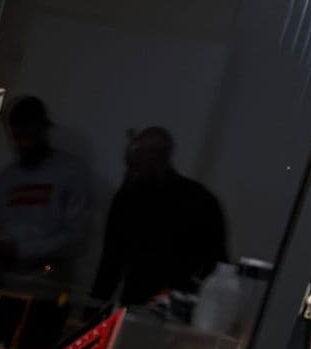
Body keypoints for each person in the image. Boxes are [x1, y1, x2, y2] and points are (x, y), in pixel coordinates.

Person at [92, 126, 228, 308]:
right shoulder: (199, 198)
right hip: (166, 301)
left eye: (136, 166)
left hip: (170, 302)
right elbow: (111, 260)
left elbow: (111, 262)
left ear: (157, 159)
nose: (130, 173)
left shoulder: (131, 196)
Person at [0, 95, 92, 285]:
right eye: (19, 137)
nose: (25, 144)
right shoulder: (6, 178)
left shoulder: (71, 171)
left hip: (49, 279)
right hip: (3, 276)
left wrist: (22, 249)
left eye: (30, 136)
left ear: (43, 130)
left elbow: (76, 237)